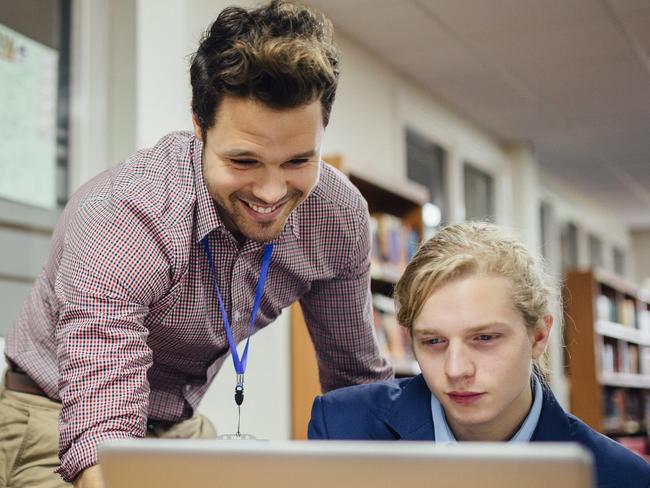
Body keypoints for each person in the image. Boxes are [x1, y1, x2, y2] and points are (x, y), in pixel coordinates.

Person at [0, 2, 392, 487]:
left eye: (297, 161)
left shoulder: (337, 216)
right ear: (199, 126)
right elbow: (100, 435)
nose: (271, 193)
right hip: (51, 416)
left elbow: (357, 385)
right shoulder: (126, 215)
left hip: (179, 427)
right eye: (244, 161)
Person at [308, 222, 650, 487]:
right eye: (432, 342)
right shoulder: (342, 426)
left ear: (539, 335)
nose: (456, 370)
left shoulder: (620, 477)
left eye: (484, 338)